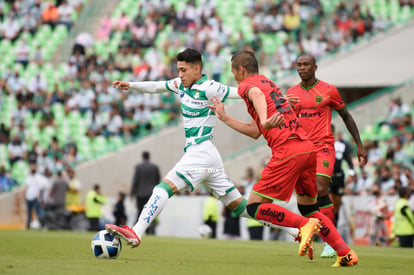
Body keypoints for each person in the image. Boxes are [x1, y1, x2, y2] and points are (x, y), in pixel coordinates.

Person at [105, 48, 316, 259]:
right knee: (243, 208)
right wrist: (131, 85)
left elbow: (241, 92)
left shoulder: (210, 87)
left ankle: (136, 232)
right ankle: (295, 231)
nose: (179, 74)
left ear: (197, 69)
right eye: (178, 69)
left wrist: (278, 99)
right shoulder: (180, 85)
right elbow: (158, 87)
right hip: (208, 157)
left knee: (162, 189)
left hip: (201, 152)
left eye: (183, 70)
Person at [208, 50, 358, 267]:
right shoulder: (270, 84)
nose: (235, 78)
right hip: (307, 149)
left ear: (241, 70)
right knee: (310, 208)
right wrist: (224, 117)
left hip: (288, 152)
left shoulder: (247, 86)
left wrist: (266, 119)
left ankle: (303, 225)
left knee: (254, 207)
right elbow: (255, 131)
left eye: (234, 73)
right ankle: (345, 253)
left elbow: (257, 99)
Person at [286, 53, 367, 258]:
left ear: (315, 67)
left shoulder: (329, 90)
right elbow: (285, 122)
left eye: (306, 64)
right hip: (300, 150)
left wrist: (359, 144)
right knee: (305, 198)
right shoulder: (291, 93)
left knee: (320, 188)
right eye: (299, 65)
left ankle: (330, 242)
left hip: (323, 147)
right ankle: (315, 232)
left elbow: (346, 116)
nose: (302, 68)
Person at [130, 151, 160, 234]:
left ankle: (136, 232)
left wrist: (132, 193)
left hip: (140, 194)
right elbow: (158, 180)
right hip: (151, 194)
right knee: (151, 213)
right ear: (149, 157)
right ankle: (151, 232)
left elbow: (135, 180)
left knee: (139, 212)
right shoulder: (155, 167)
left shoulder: (138, 167)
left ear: (142, 157)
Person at [330, 124, 355, 225]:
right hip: (328, 177)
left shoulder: (341, 146)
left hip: (339, 176)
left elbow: (349, 162)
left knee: (337, 204)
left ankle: (334, 225)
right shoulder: (321, 144)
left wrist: (351, 174)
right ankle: (328, 226)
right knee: (329, 202)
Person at [23, 163, 45, 229]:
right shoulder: (28, 177)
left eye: (34, 167)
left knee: (39, 212)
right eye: (32, 167)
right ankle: (28, 226)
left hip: (36, 198)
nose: (33, 168)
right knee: (29, 213)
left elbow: (41, 187)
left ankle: (42, 225)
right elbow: (26, 188)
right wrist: (24, 196)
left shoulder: (39, 177)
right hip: (28, 197)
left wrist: (38, 195)